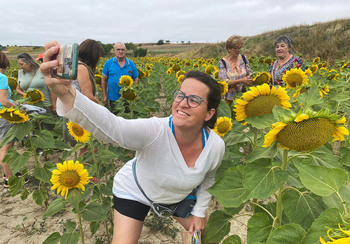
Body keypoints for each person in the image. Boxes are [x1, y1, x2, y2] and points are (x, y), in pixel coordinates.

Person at [41, 41, 225, 243]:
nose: (182, 103)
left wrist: (199, 211)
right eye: (180, 95)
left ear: (209, 113)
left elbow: (209, 179)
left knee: (202, 236)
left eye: (194, 100)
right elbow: (114, 128)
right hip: (136, 190)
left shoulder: (215, 146)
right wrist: (66, 93)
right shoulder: (156, 130)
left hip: (177, 196)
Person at [62, 39, 103, 153]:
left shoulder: (71, 65)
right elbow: (88, 97)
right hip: (82, 114)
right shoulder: (82, 68)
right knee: (88, 149)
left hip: (70, 111)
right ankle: (87, 170)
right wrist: (103, 110)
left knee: (80, 147)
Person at [101, 42, 139, 114]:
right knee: (115, 119)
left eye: (122, 49)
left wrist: (133, 90)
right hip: (113, 98)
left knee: (127, 119)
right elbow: (103, 80)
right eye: (118, 49)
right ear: (114, 51)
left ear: (125, 51)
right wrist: (104, 96)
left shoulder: (130, 64)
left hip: (128, 99)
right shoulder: (108, 63)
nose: (120, 51)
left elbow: (136, 78)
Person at [0, 51, 18, 187]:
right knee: (6, 147)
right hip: (4, 115)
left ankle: (7, 173)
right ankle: (10, 179)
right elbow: (4, 101)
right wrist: (17, 108)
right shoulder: (2, 78)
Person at [218, 35, 253, 105]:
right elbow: (224, 82)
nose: (238, 50)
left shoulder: (243, 58)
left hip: (244, 96)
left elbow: (249, 73)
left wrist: (249, 78)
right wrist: (241, 81)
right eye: (235, 48)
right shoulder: (222, 62)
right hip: (229, 99)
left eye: (239, 48)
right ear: (229, 49)